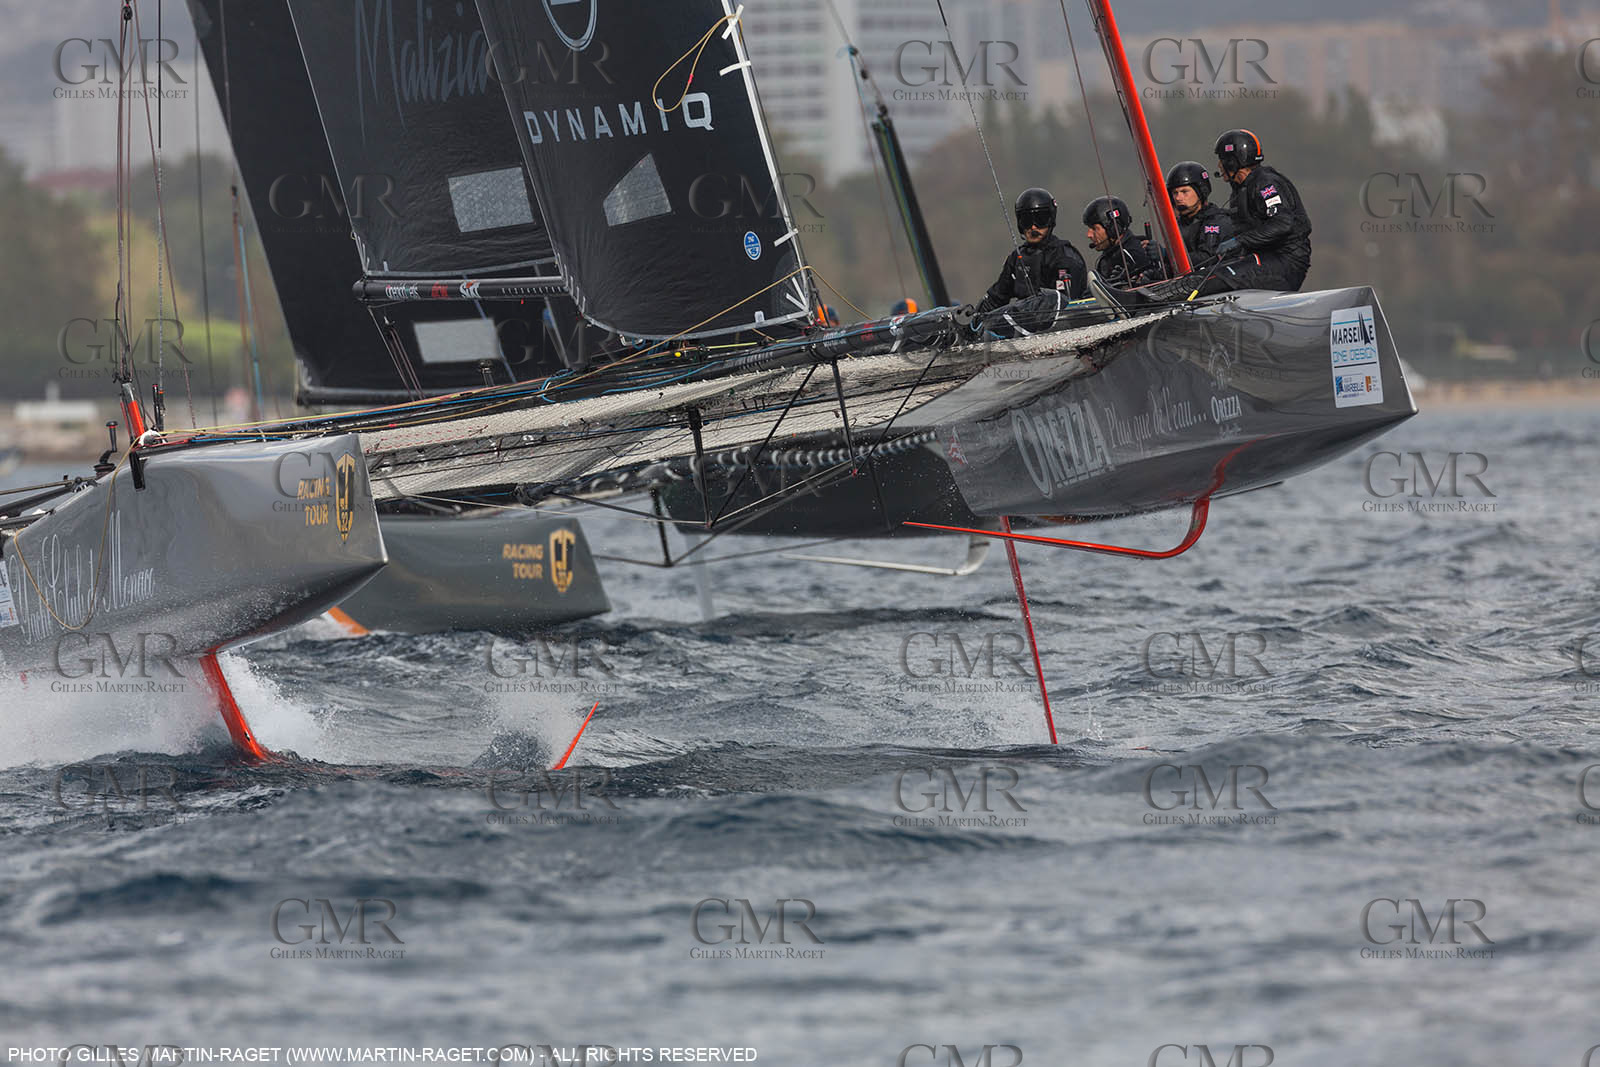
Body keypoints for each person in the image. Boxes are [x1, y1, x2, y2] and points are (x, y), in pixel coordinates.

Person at [1207, 128, 1312, 292]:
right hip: (1263, 258)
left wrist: (1239, 241)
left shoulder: (1265, 183)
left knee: (1222, 277)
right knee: (1207, 275)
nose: (1219, 165)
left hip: (1286, 262)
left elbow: (1283, 223)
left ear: (1234, 161)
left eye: (1222, 159)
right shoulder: (1240, 190)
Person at [975, 187, 1088, 314]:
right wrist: (974, 318)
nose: (1033, 227)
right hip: (1023, 328)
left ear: (1051, 220)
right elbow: (996, 298)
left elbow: (1070, 310)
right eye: (1027, 221)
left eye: (1040, 220)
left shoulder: (1065, 258)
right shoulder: (1016, 258)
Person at [1082, 195, 1163, 288]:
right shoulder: (1109, 255)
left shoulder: (1135, 253)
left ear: (1113, 229)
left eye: (1094, 228)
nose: (1089, 235)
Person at [1165, 160, 1235, 264]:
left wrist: (1166, 255)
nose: (1178, 198)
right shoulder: (1179, 224)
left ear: (1201, 191)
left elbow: (1206, 257)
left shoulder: (1215, 221)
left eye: (1184, 192)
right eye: (1175, 193)